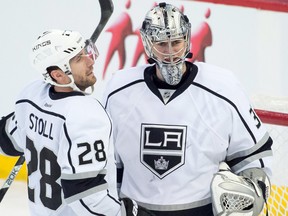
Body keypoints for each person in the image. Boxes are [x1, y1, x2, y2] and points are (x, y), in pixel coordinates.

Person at [102, 2, 273, 216]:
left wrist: (252, 194)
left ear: (187, 39)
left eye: (176, 42)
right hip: (136, 210)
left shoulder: (223, 87)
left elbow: (255, 157)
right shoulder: (118, 90)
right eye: (162, 43)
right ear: (147, 43)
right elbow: (109, 165)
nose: (171, 52)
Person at [0, 29, 153, 216]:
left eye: (85, 53)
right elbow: (85, 195)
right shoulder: (86, 115)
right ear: (57, 75)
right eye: (79, 59)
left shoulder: (31, 97)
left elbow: (7, 140)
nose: (91, 61)